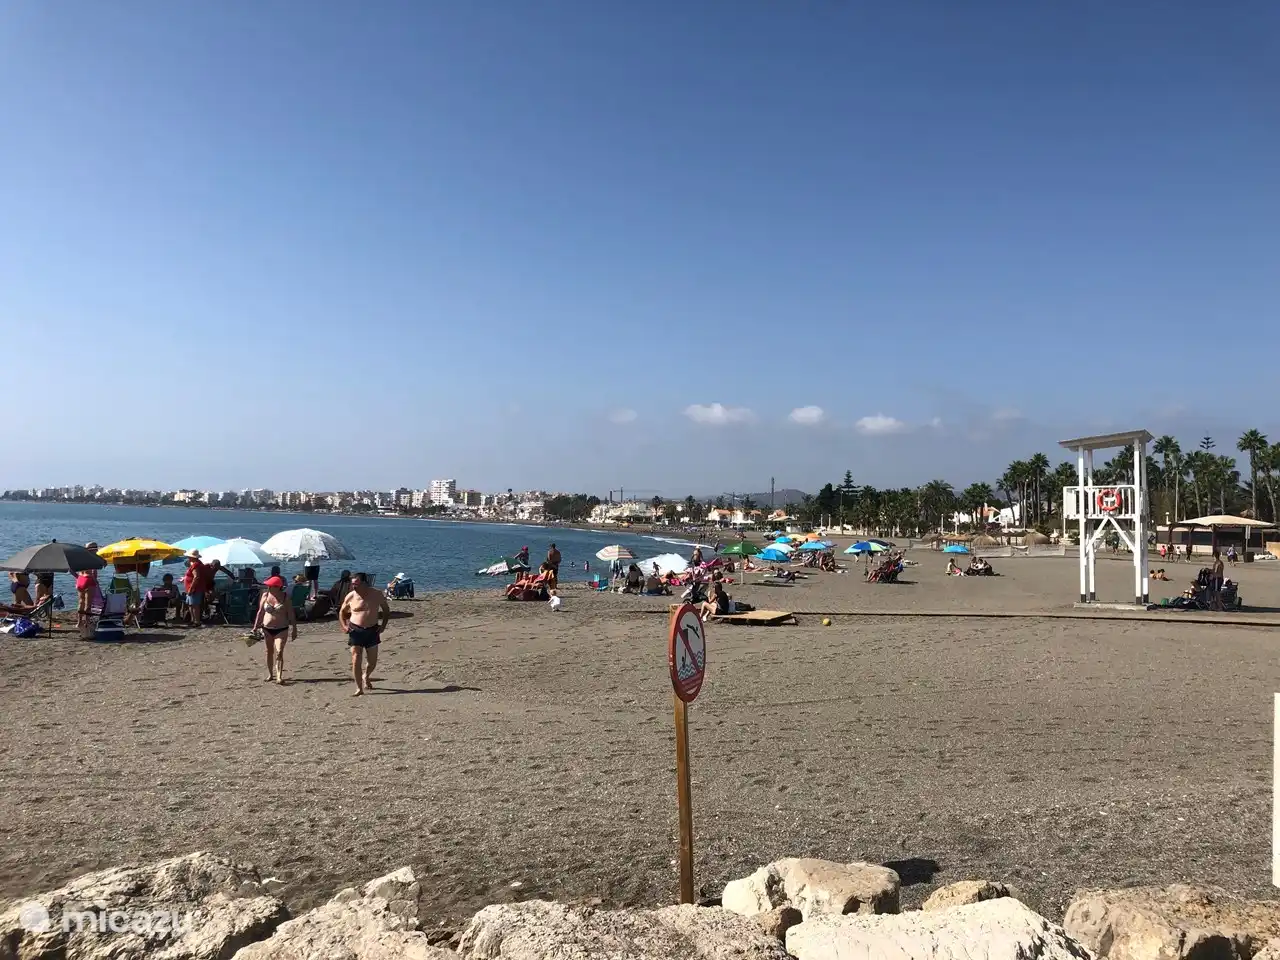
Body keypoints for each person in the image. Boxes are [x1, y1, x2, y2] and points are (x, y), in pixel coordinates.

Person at [338, 572, 391, 696]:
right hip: (355, 630)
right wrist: (344, 626)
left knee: (372, 662)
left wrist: (383, 626)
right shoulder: (351, 596)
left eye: (356, 584)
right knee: (356, 658)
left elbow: (386, 610)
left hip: (372, 630)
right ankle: (359, 688)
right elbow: (341, 612)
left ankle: (366, 676)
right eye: (352, 584)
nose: (353, 586)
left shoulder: (376, 594)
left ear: (364, 583)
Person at [253, 575, 297, 683]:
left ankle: (279, 676)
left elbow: (291, 613)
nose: (268, 587)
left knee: (279, 651)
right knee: (269, 651)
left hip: (281, 628)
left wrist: (294, 628)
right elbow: (260, 612)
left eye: (270, 586)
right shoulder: (265, 595)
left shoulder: (285, 597)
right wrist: (255, 626)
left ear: (277, 587)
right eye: (268, 585)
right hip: (267, 628)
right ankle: (270, 674)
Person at [75, 542, 101, 630]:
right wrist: (96, 581)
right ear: (94, 550)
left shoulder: (80, 558)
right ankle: (86, 622)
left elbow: (71, 569)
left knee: (81, 602)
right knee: (88, 604)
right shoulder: (93, 558)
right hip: (89, 579)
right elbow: (94, 573)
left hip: (80, 579)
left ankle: (79, 623)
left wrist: (77, 577)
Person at [182, 551, 211, 627]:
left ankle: (197, 621)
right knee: (191, 604)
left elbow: (196, 577)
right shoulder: (196, 564)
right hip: (192, 587)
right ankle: (193, 620)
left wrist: (191, 588)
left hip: (195, 588)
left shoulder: (196, 565)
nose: (188, 558)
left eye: (189, 556)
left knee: (195, 605)